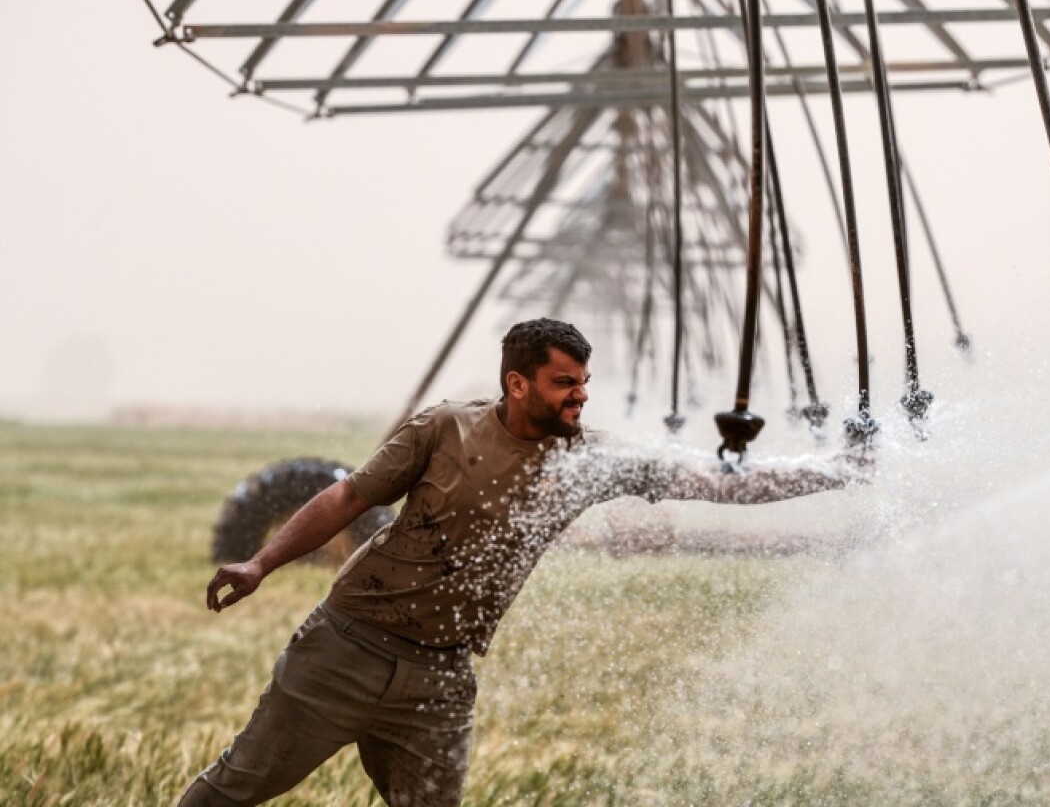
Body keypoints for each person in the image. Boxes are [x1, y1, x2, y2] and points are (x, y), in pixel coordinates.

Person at [178, 318, 843, 807]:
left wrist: (837, 472)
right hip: (345, 650)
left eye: (583, 384)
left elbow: (712, 479)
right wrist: (260, 564)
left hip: (440, 678)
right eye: (562, 384)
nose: (578, 398)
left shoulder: (588, 461)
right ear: (517, 383)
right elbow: (350, 495)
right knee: (231, 791)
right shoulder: (443, 429)